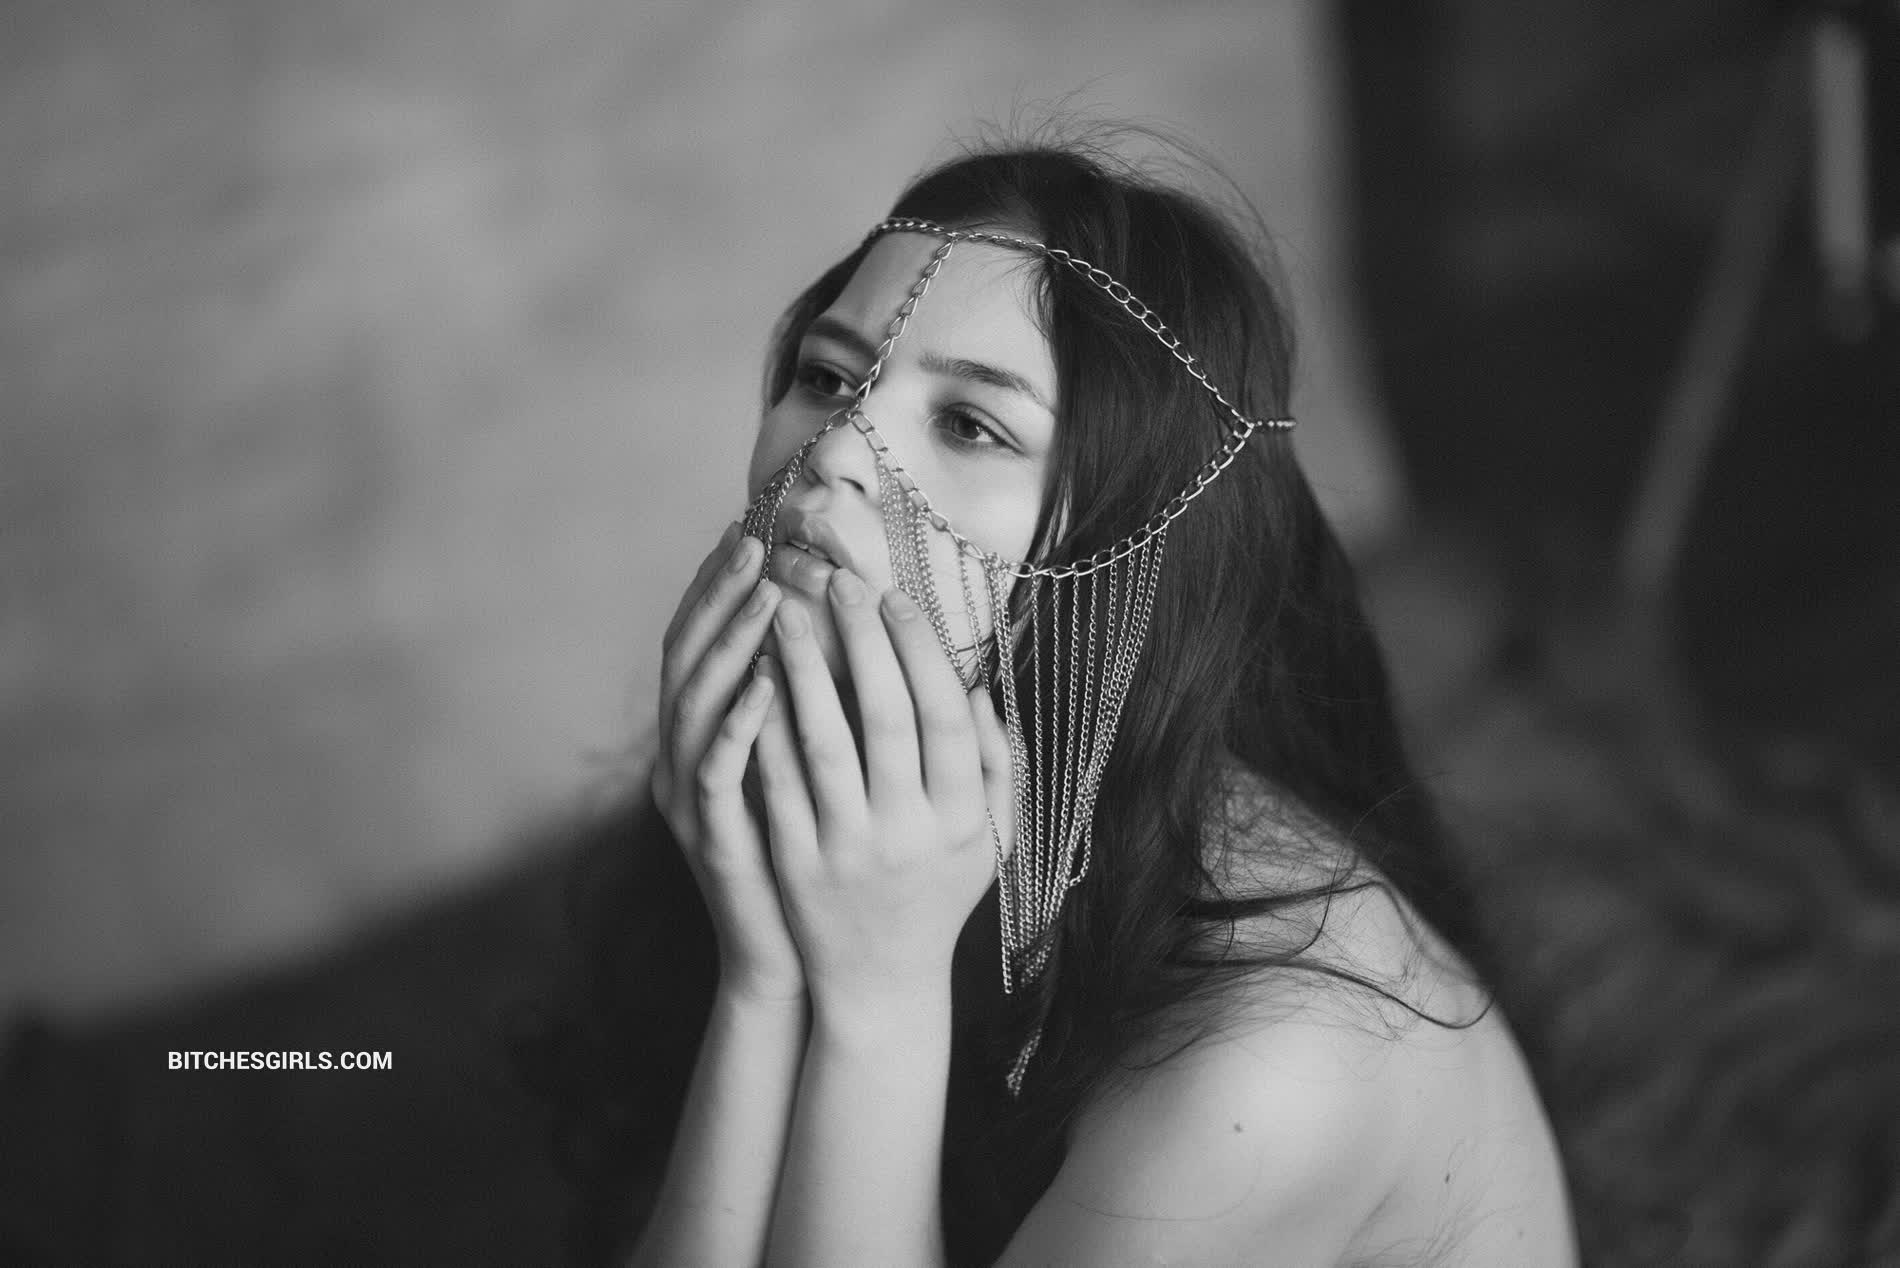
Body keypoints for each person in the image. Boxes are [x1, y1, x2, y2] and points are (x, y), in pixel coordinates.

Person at [532, 138, 1578, 1267]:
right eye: (828, 378)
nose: (836, 452)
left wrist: (876, 999)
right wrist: (767, 974)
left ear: (1137, 537)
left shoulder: (1273, 1065)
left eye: (970, 425)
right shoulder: (842, 805)